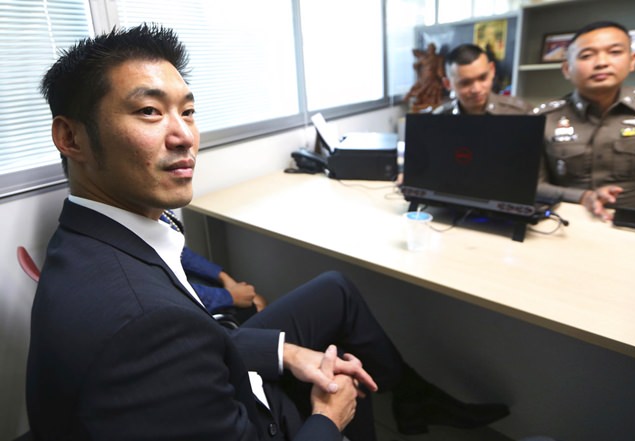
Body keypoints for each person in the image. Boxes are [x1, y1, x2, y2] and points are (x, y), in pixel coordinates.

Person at [26, 24, 509, 440]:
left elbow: (191, 342)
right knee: (342, 385)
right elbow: (171, 341)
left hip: (215, 369)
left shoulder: (88, 235)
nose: (184, 136)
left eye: (187, 111)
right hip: (259, 419)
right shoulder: (143, 326)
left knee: (333, 290)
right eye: (150, 112)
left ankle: (411, 397)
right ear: (71, 138)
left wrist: (287, 352)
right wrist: (327, 419)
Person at [533, 21, 635, 220]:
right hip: (565, 224)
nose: (601, 62)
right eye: (587, 55)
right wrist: (583, 197)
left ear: (632, 61)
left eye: (614, 52)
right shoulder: (543, 119)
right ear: (567, 69)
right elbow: (531, 186)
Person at [160, 209, 267, 321]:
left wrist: (223, 277)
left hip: (181, 288)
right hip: (172, 309)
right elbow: (163, 291)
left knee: (257, 301)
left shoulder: (158, 213)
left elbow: (179, 251)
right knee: (258, 306)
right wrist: (229, 296)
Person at [432, 44, 531, 115]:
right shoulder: (437, 121)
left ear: (492, 70)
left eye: (483, 78)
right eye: (465, 83)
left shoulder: (522, 114)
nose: (476, 89)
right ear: (448, 84)